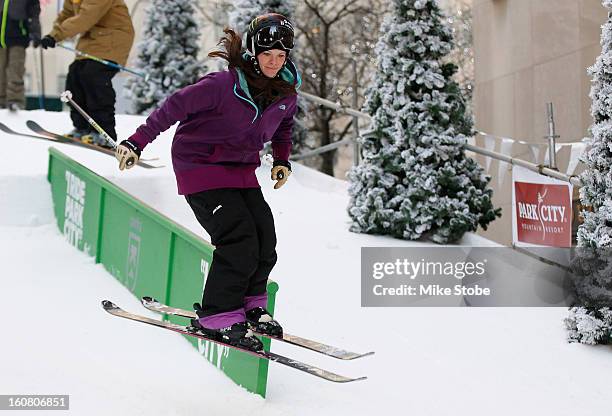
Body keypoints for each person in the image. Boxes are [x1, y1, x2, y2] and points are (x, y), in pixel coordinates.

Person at [115, 13, 300, 352]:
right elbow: (173, 107)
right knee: (238, 237)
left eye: (281, 56)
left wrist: (282, 159)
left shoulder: (285, 93)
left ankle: (252, 304)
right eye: (268, 55)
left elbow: (284, 126)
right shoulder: (222, 87)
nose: (274, 62)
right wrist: (136, 142)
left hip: (241, 170)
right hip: (200, 166)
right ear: (254, 54)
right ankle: (217, 315)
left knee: (264, 235)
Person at [41, 0, 135, 147]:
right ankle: (82, 127)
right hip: (92, 38)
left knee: (93, 76)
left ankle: (104, 131)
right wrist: (51, 34)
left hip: (114, 37)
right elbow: (66, 14)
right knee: (75, 75)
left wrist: (56, 35)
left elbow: (86, 17)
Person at [0, 0, 41, 111]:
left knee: (15, 70)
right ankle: (1, 101)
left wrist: (36, 33)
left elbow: (34, 13)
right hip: (1, 38)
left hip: (18, 36)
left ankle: (15, 101)